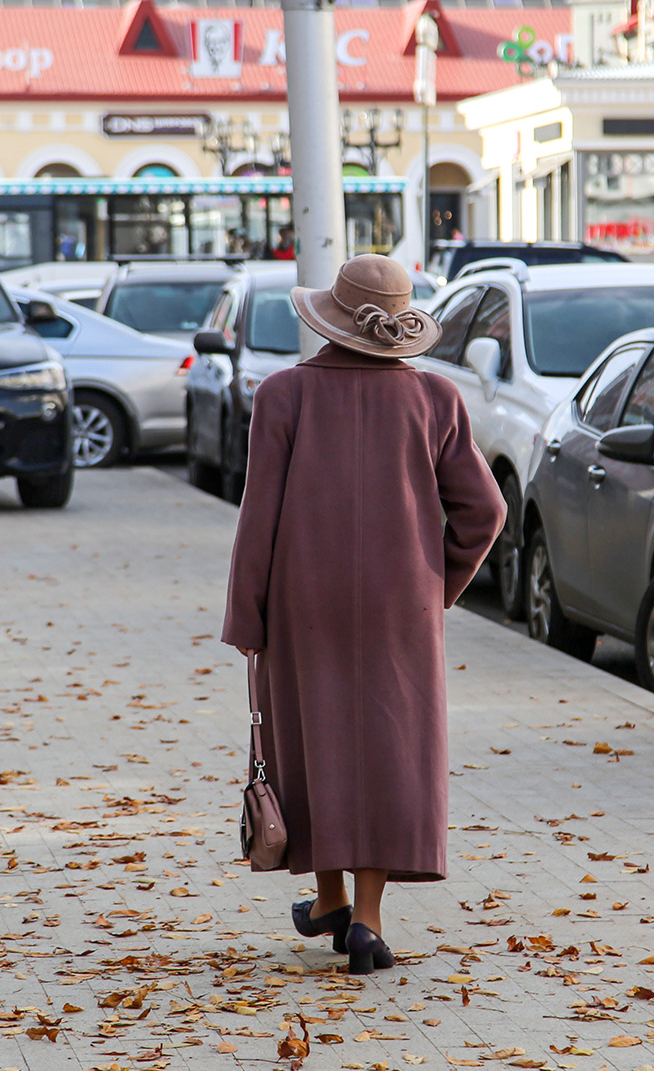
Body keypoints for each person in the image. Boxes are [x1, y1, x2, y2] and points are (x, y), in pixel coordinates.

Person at [222, 254, 504, 975]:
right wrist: (435, 584)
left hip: (300, 601)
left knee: (312, 743)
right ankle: (365, 922)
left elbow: (259, 519)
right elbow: (485, 510)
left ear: (331, 320)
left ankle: (326, 898)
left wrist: (247, 619)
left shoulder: (283, 396)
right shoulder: (435, 399)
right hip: (399, 608)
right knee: (386, 751)